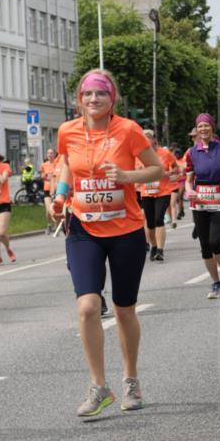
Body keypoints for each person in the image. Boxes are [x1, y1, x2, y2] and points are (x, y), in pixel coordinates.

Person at [52, 69, 163, 417]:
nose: (93, 100)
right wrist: (59, 194)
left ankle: (130, 379)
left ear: (111, 98)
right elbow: (67, 164)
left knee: (124, 308)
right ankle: (99, 386)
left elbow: (156, 169)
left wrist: (129, 176)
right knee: (87, 307)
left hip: (126, 230)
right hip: (83, 227)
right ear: (79, 99)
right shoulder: (67, 131)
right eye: (87, 94)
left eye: (100, 94)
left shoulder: (128, 130)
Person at [185, 113, 220, 298]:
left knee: (215, 240)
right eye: (200, 126)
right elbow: (188, 179)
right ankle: (216, 284)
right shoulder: (192, 153)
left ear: (212, 127)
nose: (203, 129)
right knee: (204, 246)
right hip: (199, 201)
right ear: (197, 129)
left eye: (206, 126)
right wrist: (189, 190)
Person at [140, 130, 178, 262]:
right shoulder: (139, 154)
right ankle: (154, 246)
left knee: (158, 219)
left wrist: (166, 173)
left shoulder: (165, 153)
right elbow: (135, 170)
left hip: (163, 191)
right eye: (142, 138)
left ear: (154, 139)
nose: (145, 140)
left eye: (148, 138)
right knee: (150, 223)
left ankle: (160, 250)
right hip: (147, 192)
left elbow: (175, 168)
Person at [0, 148, 16, 265]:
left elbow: (2, 180)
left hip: (4, 202)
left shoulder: (5, 166)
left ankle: (8, 249)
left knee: (1, 232)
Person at [41, 148, 56, 233]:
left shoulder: (57, 164)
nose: (49, 155)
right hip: (47, 189)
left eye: (51, 153)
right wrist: (45, 176)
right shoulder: (44, 165)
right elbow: (42, 175)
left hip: (55, 189)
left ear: (54, 154)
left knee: (55, 209)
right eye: (48, 153)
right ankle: (49, 224)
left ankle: (56, 226)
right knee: (48, 209)